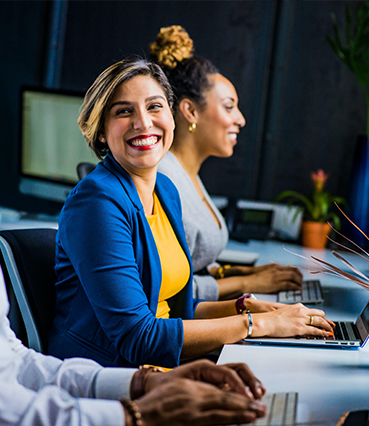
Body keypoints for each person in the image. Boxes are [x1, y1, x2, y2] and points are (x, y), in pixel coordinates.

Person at [47, 57, 334, 370]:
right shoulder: (97, 202)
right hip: (108, 377)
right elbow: (138, 337)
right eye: (124, 111)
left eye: (155, 106)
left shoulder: (166, 191)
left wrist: (247, 308)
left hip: (163, 367)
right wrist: (257, 324)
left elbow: (175, 311)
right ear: (101, 131)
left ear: (172, 116)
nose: (143, 122)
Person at [0, 264, 267, 425]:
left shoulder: (165, 192)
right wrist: (136, 415)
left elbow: (15, 362)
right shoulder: (96, 201)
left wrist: (142, 383)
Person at [152, 25, 303, 301]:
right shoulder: (164, 180)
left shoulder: (188, 174)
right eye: (229, 106)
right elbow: (168, 292)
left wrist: (242, 273)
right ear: (190, 111)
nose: (241, 119)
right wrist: (247, 284)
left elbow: (194, 266)